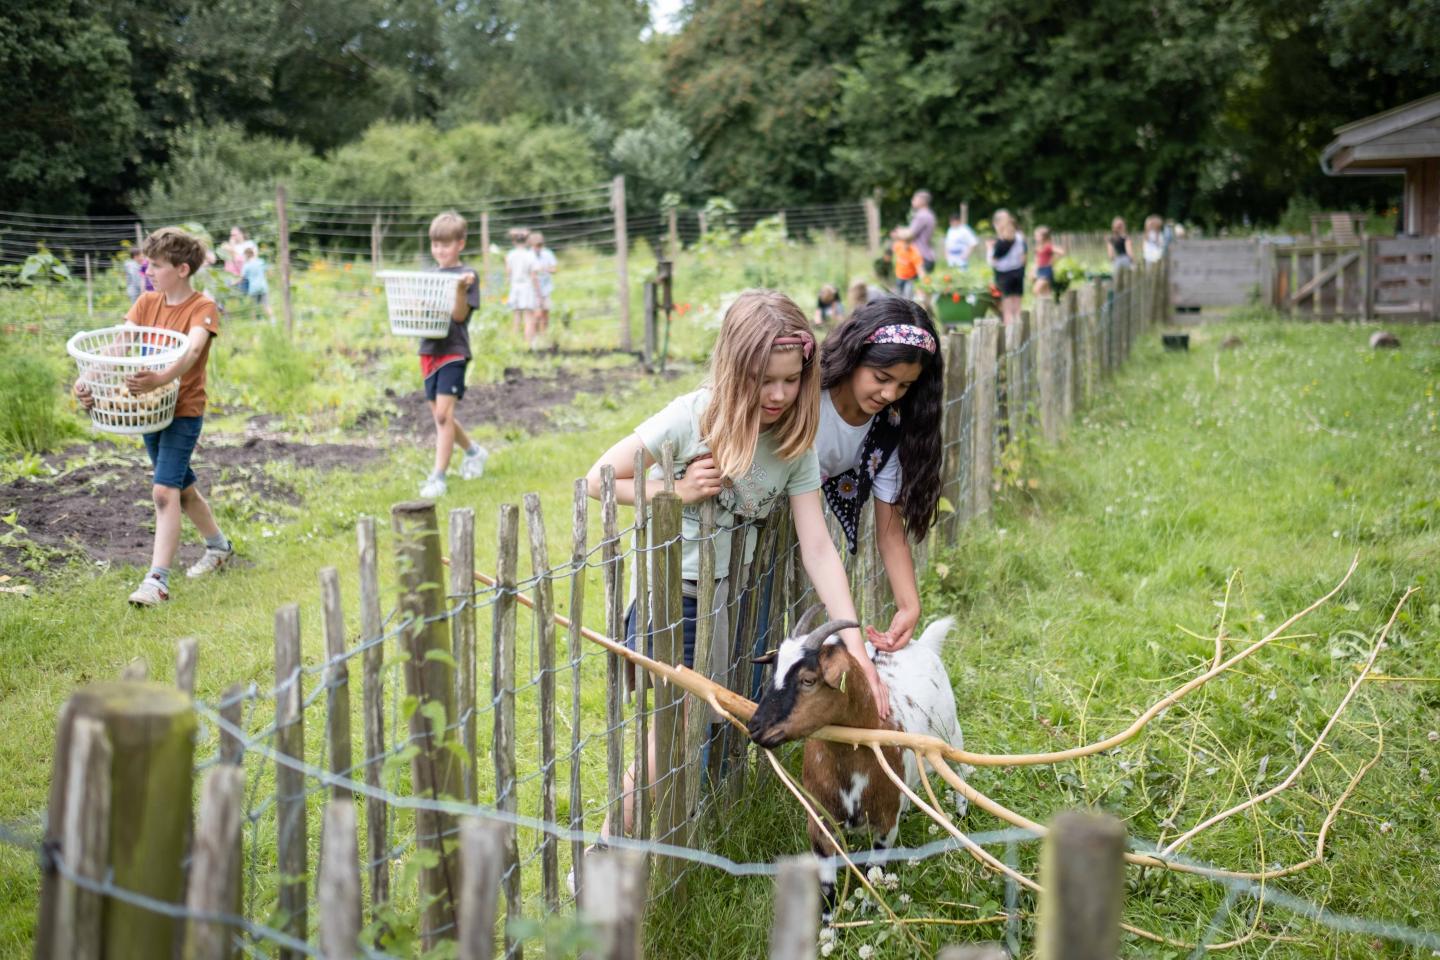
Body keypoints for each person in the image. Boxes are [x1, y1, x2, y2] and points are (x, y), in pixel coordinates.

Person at [582, 289, 888, 841]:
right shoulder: (690, 417)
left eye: (791, 380)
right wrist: (673, 488)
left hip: (742, 604)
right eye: (763, 380)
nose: (778, 394)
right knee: (671, 739)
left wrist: (858, 649)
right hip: (677, 602)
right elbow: (598, 479)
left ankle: (695, 839)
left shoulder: (794, 443)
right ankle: (607, 848)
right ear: (732, 369)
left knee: (722, 727)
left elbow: (817, 545)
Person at [73, 228, 232, 606]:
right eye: (147, 265)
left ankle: (157, 581)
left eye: (156, 266)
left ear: (181, 269)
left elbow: (193, 351)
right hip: (148, 411)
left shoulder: (202, 308)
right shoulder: (146, 303)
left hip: (183, 411)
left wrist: (160, 378)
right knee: (181, 486)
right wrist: (87, 380)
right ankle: (219, 546)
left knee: (164, 492)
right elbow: (120, 344)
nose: (148, 272)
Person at [817, 298, 944, 651]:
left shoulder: (886, 431)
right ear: (855, 355)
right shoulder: (808, 396)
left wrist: (909, 604)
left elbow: (890, 531)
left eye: (904, 387)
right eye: (882, 378)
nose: (890, 394)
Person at [417, 211, 489, 500]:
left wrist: (460, 289)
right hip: (428, 350)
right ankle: (474, 452)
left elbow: (459, 316)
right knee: (439, 415)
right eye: (435, 245)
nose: (439, 251)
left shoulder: (468, 277)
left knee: (444, 416)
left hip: (454, 351)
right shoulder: (429, 277)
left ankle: (438, 477)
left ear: (460, 243)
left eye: (445, 245)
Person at [986, 210, 1026, 325]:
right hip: (1018, 273)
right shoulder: (1019, 238)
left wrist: (989, 248)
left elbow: (992, 262)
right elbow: (1023, 258)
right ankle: (1019, 330)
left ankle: (1010, 333)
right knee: (1017, 306)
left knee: (1007, 308)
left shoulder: (1000, 243)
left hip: (1004, 275)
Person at [506, 228, 540, 346]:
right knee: (528, 317)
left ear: (514, 241)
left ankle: (514, 343)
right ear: (526, 241)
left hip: (515, 286)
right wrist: (538, 292)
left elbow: (508, 273)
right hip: (526, 287)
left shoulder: (510, 255)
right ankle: (528, 344)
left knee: (516, 317)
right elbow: (534, 275)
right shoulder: (530, 255)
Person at [529, 230, 557, 342]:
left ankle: (544, 334)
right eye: (536, 245)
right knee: (536, 314)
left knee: (545, 311)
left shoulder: (548, 253)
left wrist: (545, 269)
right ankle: (534, 336)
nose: (538, 247)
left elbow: (554, 268)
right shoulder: (529, 255)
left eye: (540, 245)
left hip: (546, 288)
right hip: (533, 289)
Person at [240, 246, 273, 323]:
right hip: (263, 286)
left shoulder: (246, 265)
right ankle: (272, 320)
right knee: (266, 305)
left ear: (246, 255)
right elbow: (269, 271)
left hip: (253, 288)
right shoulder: (260, 261)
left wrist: (233, 283)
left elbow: (242, 278)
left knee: (253, 307)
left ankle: (254, 322)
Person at [1031, 226, 1066, 297]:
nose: (1035, 237)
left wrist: (1053, 261)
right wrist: (1034, 270)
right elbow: (1036, 260)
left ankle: (1041, 305)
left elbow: (1062, 252)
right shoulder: (1037, 247)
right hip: (1039, 270)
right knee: (1046, 292)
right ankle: (1047, 306)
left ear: (1044, 237)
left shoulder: (1048, 246)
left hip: (1046, 271)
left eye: (1037, 236)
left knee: (1036, 290)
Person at [908, 190, 937, 274]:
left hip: (921, 256)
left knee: (918, 286)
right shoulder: (929, 214)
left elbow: (910, 234)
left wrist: (898, 234)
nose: (912, 201)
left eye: (914, 199)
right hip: (927, 255)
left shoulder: (921, 215)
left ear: (921, 201)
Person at [891, 226, 923, 300]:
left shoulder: (914, 253)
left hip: (910, 279)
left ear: (911, 242)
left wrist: (923, 281)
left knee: (907, 297)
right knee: (898, 295)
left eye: (908, 242)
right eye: (904, 242)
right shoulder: (898, 245)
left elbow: (920, 269)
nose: (906, 245)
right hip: (899, 276)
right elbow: (897, 236)